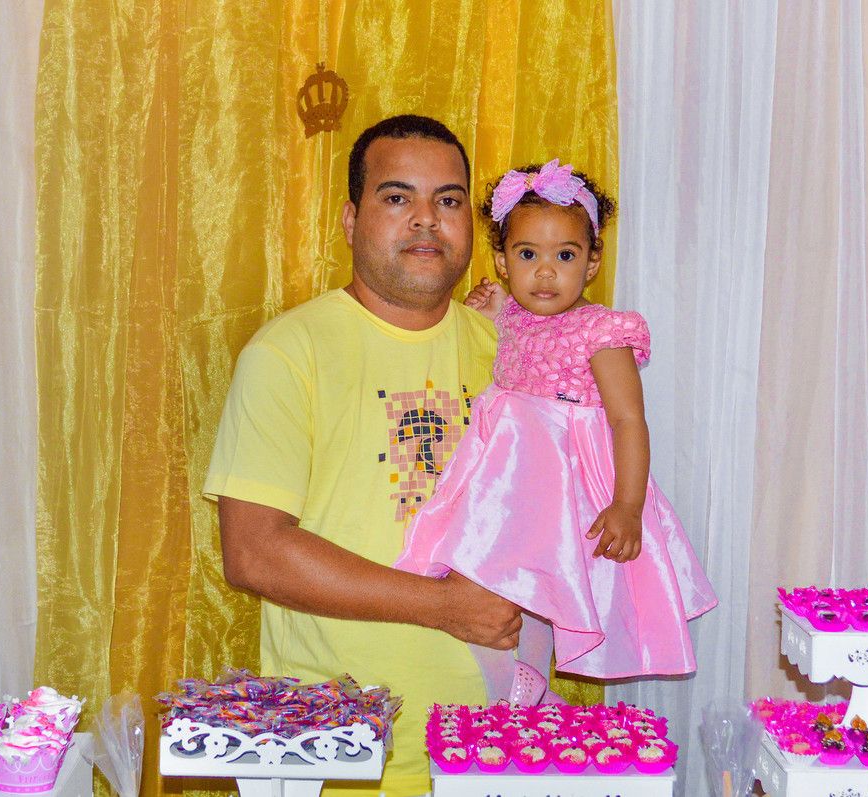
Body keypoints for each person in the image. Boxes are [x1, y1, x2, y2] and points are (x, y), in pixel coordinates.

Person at [203, 115, 522, 797]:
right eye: (397, 196)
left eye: (448, 199)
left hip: (498, 751)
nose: (427, 219)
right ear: (351, 220)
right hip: (338, 757)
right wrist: (444, 606)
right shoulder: (288, 353)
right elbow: (254, 551)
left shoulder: (510, 353)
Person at [395, 159, 718, 705]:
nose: (545, 273)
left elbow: (628, 420)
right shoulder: (515, 315)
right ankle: (519, 684)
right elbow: (517, 334)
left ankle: (526, 684)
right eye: (528, 255)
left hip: (562, 478)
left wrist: (628, 506)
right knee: (493, 575)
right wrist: (494, 308)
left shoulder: (602, 331)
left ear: (592, 262)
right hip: (504, 475)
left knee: (547, 581)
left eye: (564, 256)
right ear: (502, 261)